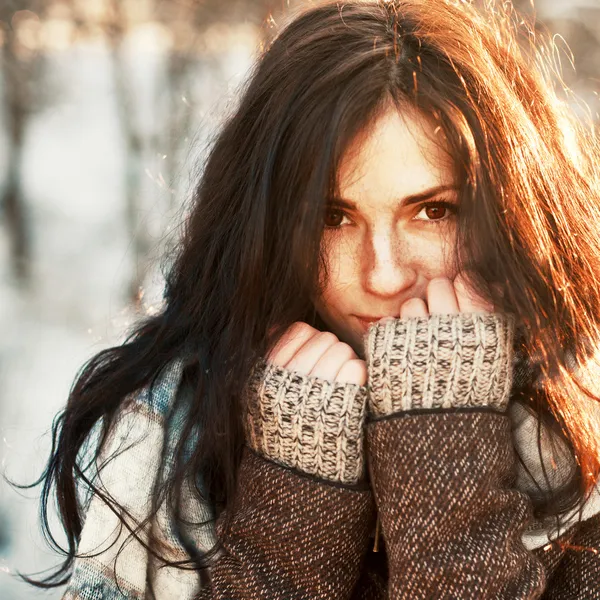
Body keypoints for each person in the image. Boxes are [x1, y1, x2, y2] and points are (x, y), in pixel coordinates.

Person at [25, 0, 600, 597]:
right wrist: (292, 508)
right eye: (332, 217)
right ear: (268, 230)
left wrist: (444, 464)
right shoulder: (171, 433)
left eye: (433, 211)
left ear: (507, 216)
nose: (383, 275)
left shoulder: (585, 433)